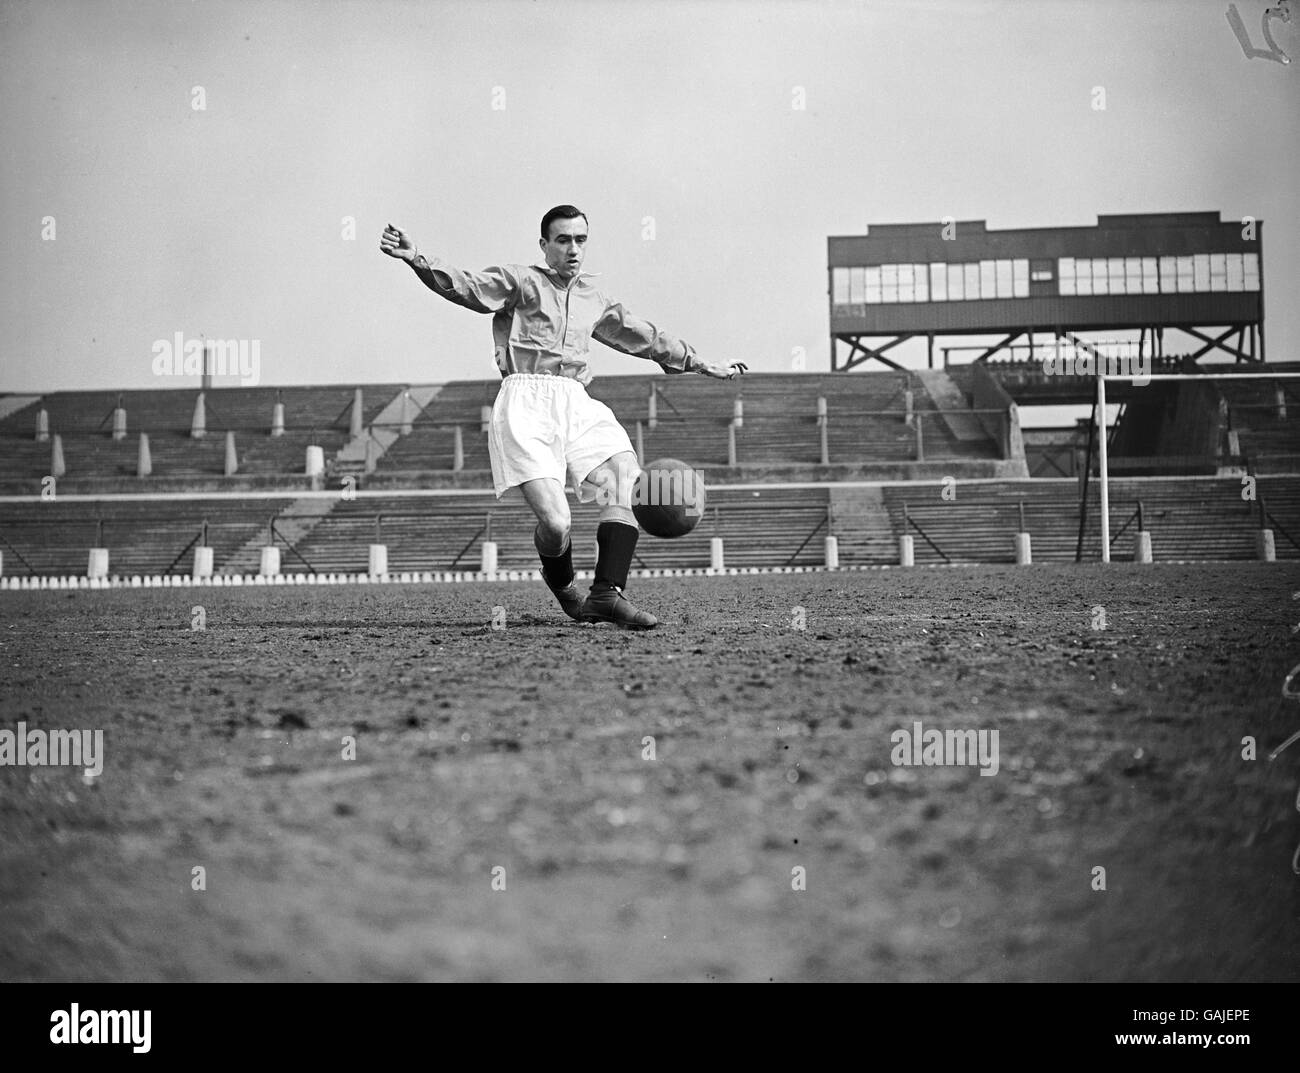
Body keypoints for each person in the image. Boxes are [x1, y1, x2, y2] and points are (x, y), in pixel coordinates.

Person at [380, 205, 746, 629]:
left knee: (627, 477)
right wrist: (417, 259)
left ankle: (607, 594)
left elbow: (644, 336)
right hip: (525, 401)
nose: (573, 249)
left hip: (576, 399)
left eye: (581, 240)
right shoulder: (520, 280)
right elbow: (467, 287)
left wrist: (701, 363)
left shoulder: (595, 298)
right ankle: (565, 586)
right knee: (556, 523)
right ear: (545, 245)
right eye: (563, 240)